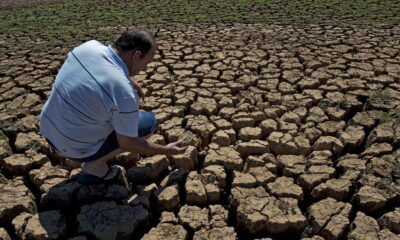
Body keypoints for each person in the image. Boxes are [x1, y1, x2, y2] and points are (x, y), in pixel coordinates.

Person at [39, 29, 188, 183]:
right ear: (136, 55)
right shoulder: (123, 91)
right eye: (147, 62)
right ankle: (94, 165)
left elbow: (98, 71)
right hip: (74, 149)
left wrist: (127, 78)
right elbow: (128, 143)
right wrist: (166, 150)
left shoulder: (88, 47)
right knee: (147, 123)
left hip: (48, 130)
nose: (145, 69)